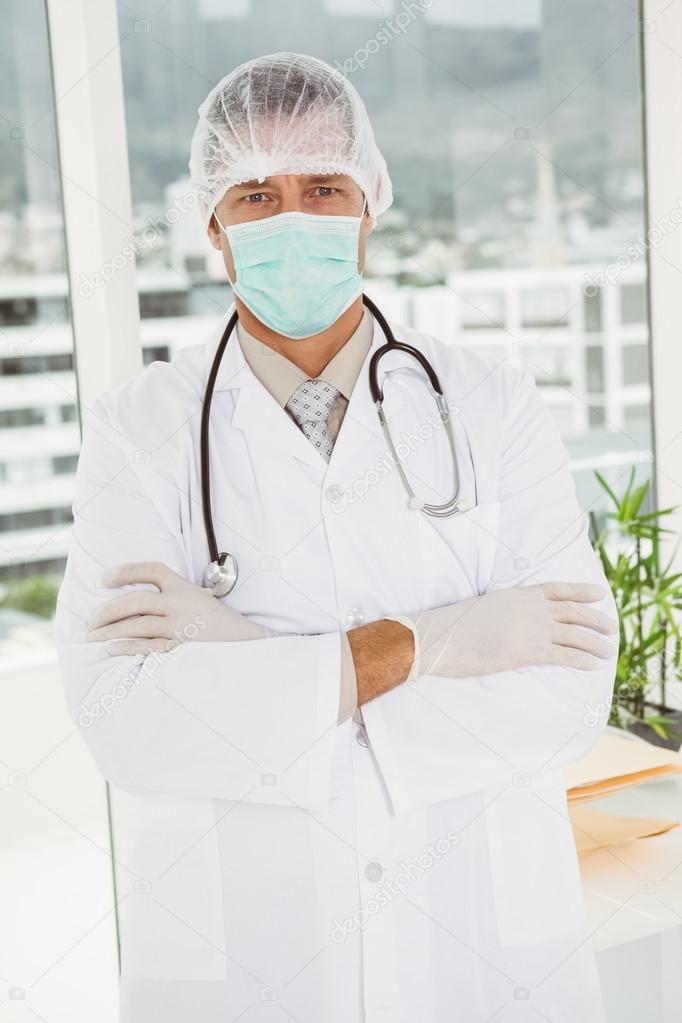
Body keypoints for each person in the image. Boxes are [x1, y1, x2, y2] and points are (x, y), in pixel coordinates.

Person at [54, 52, 619, 1023]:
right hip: (251, 960)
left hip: (482, 950)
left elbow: (571, 683)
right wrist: (430, 644)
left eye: (323, 186)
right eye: (255, 194)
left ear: (369, 204)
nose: (292, 218)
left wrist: (248, 663)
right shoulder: (138, 430)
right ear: (214, 230)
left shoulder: (492, 405)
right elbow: (121, 718)